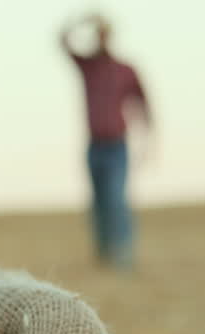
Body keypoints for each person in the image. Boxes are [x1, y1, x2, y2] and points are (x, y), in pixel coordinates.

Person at [60, 14, 151, 269]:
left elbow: (144, 104)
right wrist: (83, 20)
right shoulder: (89, 67)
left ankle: (123, 255)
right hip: (94, 145)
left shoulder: (125, 70)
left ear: (110, 36)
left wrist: (148, 141)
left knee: (116, 198)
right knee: (98, 202)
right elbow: (62, 40)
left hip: (117, 145)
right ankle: (104, 255)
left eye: (103, 33)